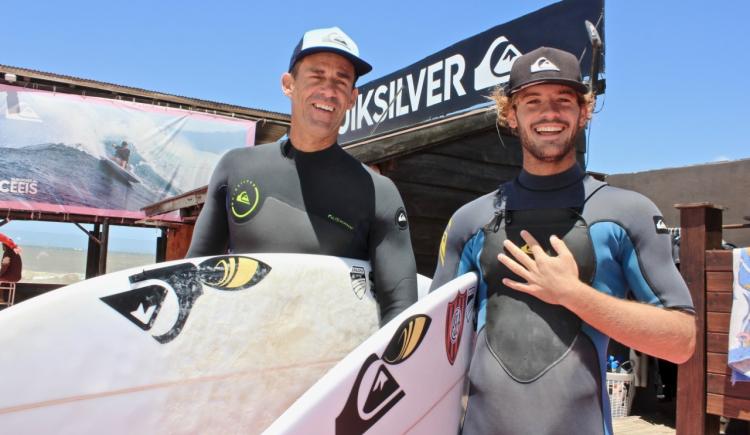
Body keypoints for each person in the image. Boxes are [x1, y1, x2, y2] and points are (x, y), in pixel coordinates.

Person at [430, 47, 696, 435]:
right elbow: (433, 349)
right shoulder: (470, 221)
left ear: (584, 112)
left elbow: (681, 341)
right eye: (532, 101)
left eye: (563, 100)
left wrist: (572, 294)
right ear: (510, 114)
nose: (549, 113)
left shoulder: (627, 213)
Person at [187, 26, 417, 325]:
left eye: (341, 80)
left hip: (331, 366)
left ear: (352, 98)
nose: (329, 90)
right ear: (288, 84)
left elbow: (401, 309)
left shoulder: (379, 192)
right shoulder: (236, 168)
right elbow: (192, 280)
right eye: (316, 76)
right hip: (241, 360)